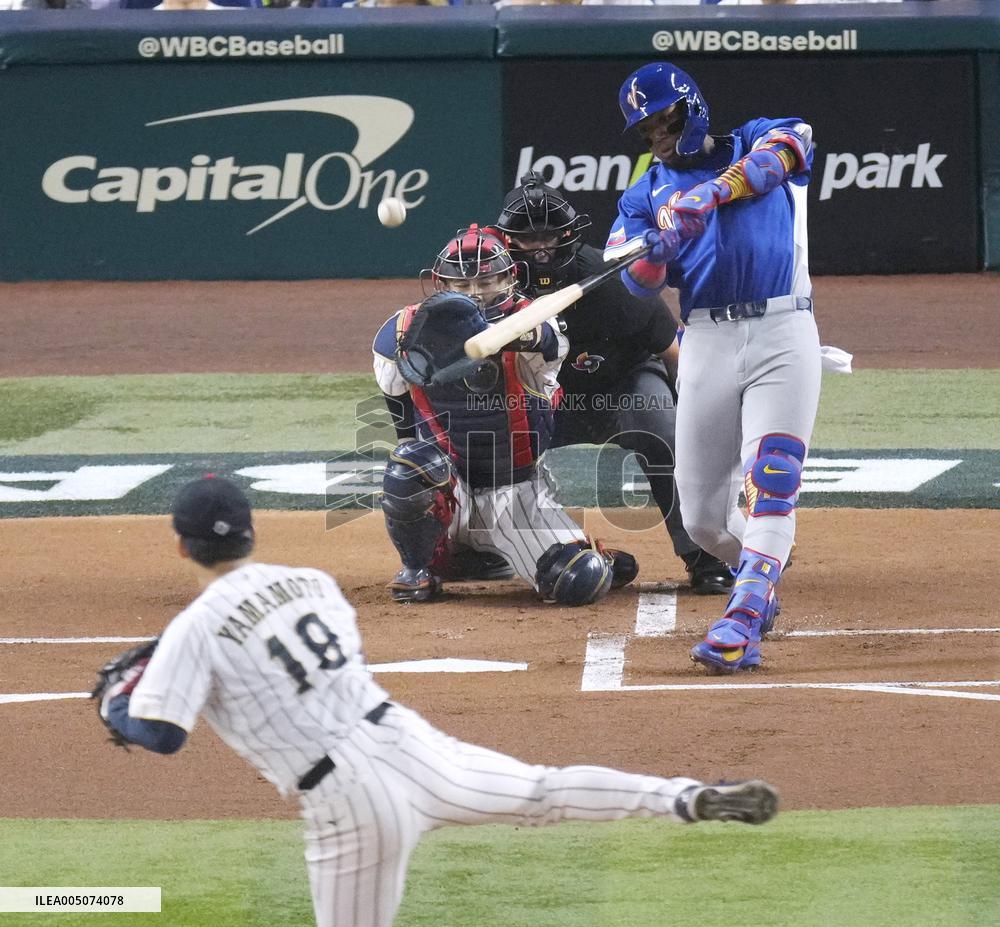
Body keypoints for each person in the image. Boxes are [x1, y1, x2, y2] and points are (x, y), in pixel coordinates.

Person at [94, 475, 780, 927]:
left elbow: (160, 733)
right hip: (406, 741)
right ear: (251, 528)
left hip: (347, 799)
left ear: (181, 543)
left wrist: (113, 710)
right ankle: (682, 796)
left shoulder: (195, 628)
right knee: (543, 791)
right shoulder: (311, 583)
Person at [605, 61, 822, 672]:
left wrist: (715, 191)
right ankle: (760, 575)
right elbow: (637, 282)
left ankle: (745, 614)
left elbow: (783, 155)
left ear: (688, 106)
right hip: (705, 341)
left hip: (784, 328)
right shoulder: (644, 194)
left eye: (661, 120)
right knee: (702, 520)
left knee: (772, 476)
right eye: (645, 131)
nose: (656, 137)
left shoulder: (758, 134)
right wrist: (655, 252)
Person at [494, 173, 734, 596]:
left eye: (550, 235)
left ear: (570, 233)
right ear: (508, 241)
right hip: (544, 400)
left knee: (661, 428)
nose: (542, 248)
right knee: (486, 442)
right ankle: (487, 548)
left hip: (622, 386)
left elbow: (671, 352)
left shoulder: (611, 282)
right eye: (529, 239)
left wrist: (698, 420)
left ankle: (706, 555)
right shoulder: (495, 286)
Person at [372, 225, 637, 606]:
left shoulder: (537, 322)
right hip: (452, 487)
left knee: (577, 582)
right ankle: (423, 566)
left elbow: (545, 343)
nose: (476, 293)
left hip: (514, 492)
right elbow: (400, 415)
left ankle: (587, 556)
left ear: (510, 277)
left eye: (487, 281)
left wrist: (504, 335)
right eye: (462, 285)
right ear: (439, 283)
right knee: (411, 465)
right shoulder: (402, 329)